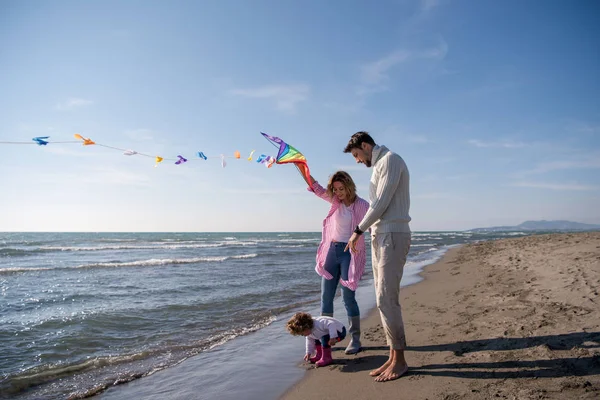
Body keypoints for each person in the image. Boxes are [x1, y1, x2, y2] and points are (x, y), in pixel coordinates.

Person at [343, 131, 412, 382]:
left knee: (386, 298)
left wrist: (357, 230)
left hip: (392, 235)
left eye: (357, 155)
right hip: (380, 236)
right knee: (382, 298)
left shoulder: (391, 160)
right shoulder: (379, 166)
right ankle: (393, 356)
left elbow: (380, 203)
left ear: (365, 146)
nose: (357, 160)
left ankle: (401, 360)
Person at [303, 171, 369, 354]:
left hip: (350, 254)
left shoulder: (362, 205)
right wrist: (301, 167)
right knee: (326, 297)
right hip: (332, 251)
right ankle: (325, 341)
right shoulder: (335, 202)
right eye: (335, 189)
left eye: (341, 189)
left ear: (349, 186)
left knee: (348, 297)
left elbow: (373, 224)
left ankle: (355, 339)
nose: (338, 193)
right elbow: (317, 189)